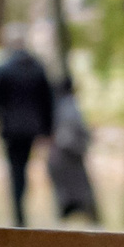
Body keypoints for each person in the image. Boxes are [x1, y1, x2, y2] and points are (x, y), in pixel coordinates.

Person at [0, 40, 55, 228]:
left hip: (11, 129)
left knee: (15, 169)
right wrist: (48, 130)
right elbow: (48, 102)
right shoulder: (38, 69)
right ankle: (20, 206)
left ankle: (18, 209)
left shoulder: (3, 69)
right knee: (22, 167)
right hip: (31, 129)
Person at [47, 71, 100, 224]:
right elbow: (67, 137)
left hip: (64, 158)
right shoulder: (69, 107)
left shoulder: (60, 105)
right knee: (79, 200)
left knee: (70, 201)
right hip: (68, 159)